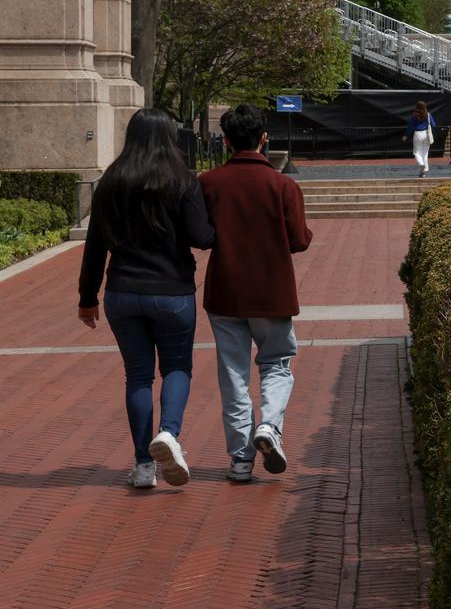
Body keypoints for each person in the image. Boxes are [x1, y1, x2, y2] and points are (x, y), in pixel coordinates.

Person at [78, 109, 216, 489]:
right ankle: (169, 433)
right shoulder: (182, 181)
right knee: (176, 369)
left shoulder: (111, 180)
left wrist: (86, 296)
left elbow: (95, 245)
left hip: (122, 292)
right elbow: (202, 237)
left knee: (137, 376)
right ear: (169, 137)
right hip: (172, 292)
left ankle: (143, 466)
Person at [199, 104, 314, 484]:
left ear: (226, 140)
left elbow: (201, 236)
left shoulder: (208, 182)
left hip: (226, 290)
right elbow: (298, 241)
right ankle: (269, 426)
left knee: (232, 375)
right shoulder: (283, 186)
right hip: (272, 290)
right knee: (277, 363)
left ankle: (240, 459)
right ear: (265, 138)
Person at [406, 100, 434, 177]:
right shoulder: (428, 115)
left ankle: (421, 165)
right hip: (426, 134)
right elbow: (434, 124)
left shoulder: (414, 116)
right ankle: (423, 172)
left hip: (417, 134)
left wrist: (405, 135)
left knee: (416, 153)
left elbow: (410, 127)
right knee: (425, 153)